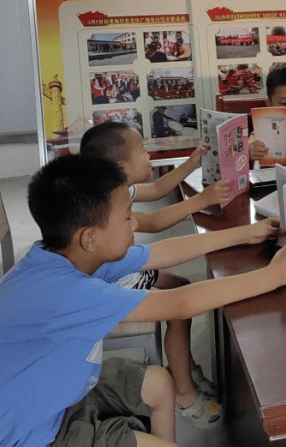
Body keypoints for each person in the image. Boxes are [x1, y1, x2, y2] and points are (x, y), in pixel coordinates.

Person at [0, 154, 286, 447]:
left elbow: (164, 253)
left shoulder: (65, 257)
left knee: (157, 384)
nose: (134, 225)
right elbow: (179, 304)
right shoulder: (67, 293)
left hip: (42, 405)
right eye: (126, 218)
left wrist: (245, 233)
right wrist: (272, 277)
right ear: (90, 237)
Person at [81, 121, 229, 427]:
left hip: (121, 268)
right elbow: (156, 222)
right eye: (144, 150)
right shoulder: (107, 202)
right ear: (122, 167)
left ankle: (182, 367)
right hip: (112, 282)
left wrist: (191, 162)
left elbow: (160, 188)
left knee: (181, 284)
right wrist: (201, 200)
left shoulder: (115, 186)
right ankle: (185, 394)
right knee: (179, 308)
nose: (150, 156)